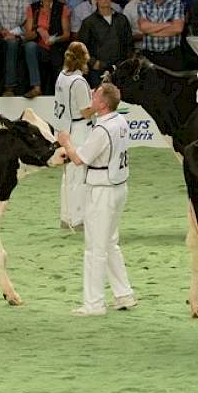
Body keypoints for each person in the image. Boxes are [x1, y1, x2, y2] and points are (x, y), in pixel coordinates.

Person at [57, 82, 135, 317]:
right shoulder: (119, 122)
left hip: (103, 190)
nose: (92, 95)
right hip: (118, 187)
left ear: (102, 104)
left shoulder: (103, 129)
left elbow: (80, 159)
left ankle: (94, 304)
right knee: (110, 242)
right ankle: (124, 294)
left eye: (96, 94)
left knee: (95, 248)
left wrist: (66, 143)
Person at [53, 42, 93, 230]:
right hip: (78, 129)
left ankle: (66, 217)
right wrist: (100, 103)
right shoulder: (79, 81)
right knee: (79, 174)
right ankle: (78, 219)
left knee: (67, 175)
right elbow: (86, 111)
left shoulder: (62, 76)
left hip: (63, 127)